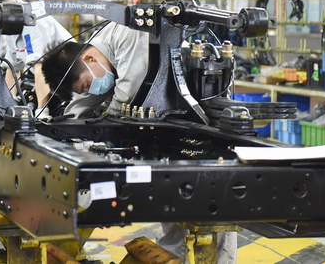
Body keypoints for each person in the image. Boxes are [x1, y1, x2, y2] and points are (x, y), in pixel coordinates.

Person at [41, 22, 237, 263]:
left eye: (86, 84)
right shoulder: (100, 57)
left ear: (89, 58)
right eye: (85, 88)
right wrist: (64, 126)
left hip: (201, 118)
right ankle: (173, 255)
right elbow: (86, 101)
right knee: (173, 200)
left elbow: (130, 84)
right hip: (172, 128)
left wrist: (104, 127)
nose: (92, 89)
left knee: (214, 203)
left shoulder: (125, 31)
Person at [0, 0, 72, 115]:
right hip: (53, 82)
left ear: (3, 5)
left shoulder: (32, 18)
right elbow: (13, 68)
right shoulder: (9, 22)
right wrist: (7, 104)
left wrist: (42, 110)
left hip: (71, 80)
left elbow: (41, 67)